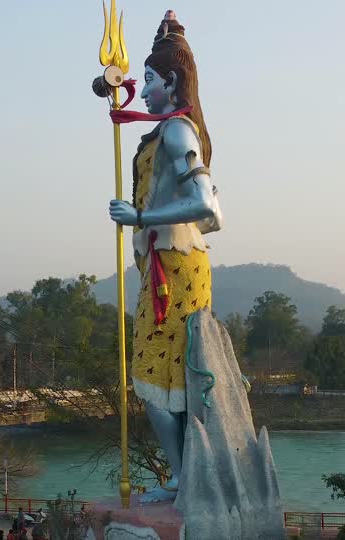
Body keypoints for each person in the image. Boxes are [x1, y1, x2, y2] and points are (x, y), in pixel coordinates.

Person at [107, 11, 225, 504]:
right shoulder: (161, 133)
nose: (145, 89)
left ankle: (184, 477)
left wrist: (140, 218)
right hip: (160, 266)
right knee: (165, 375)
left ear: (172, 82)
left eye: (151, 81)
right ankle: (184, 477)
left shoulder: (178, 132)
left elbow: (207, 207)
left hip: (177, 266)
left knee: (153, 374)